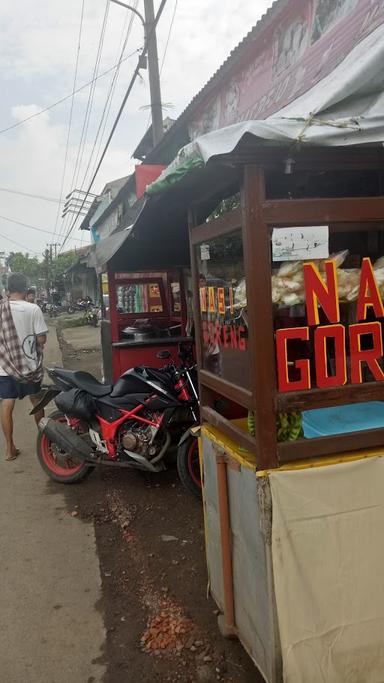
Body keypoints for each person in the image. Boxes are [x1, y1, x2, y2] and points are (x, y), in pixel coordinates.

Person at [0, 273, 48, 461]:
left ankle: (9, 448)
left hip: (5, 367)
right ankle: (45, 442)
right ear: (25, 288)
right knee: (37, 401)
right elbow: (42, 339)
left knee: (7, 403)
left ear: (8, 289)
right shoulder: (33, 309)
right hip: (29, 366)